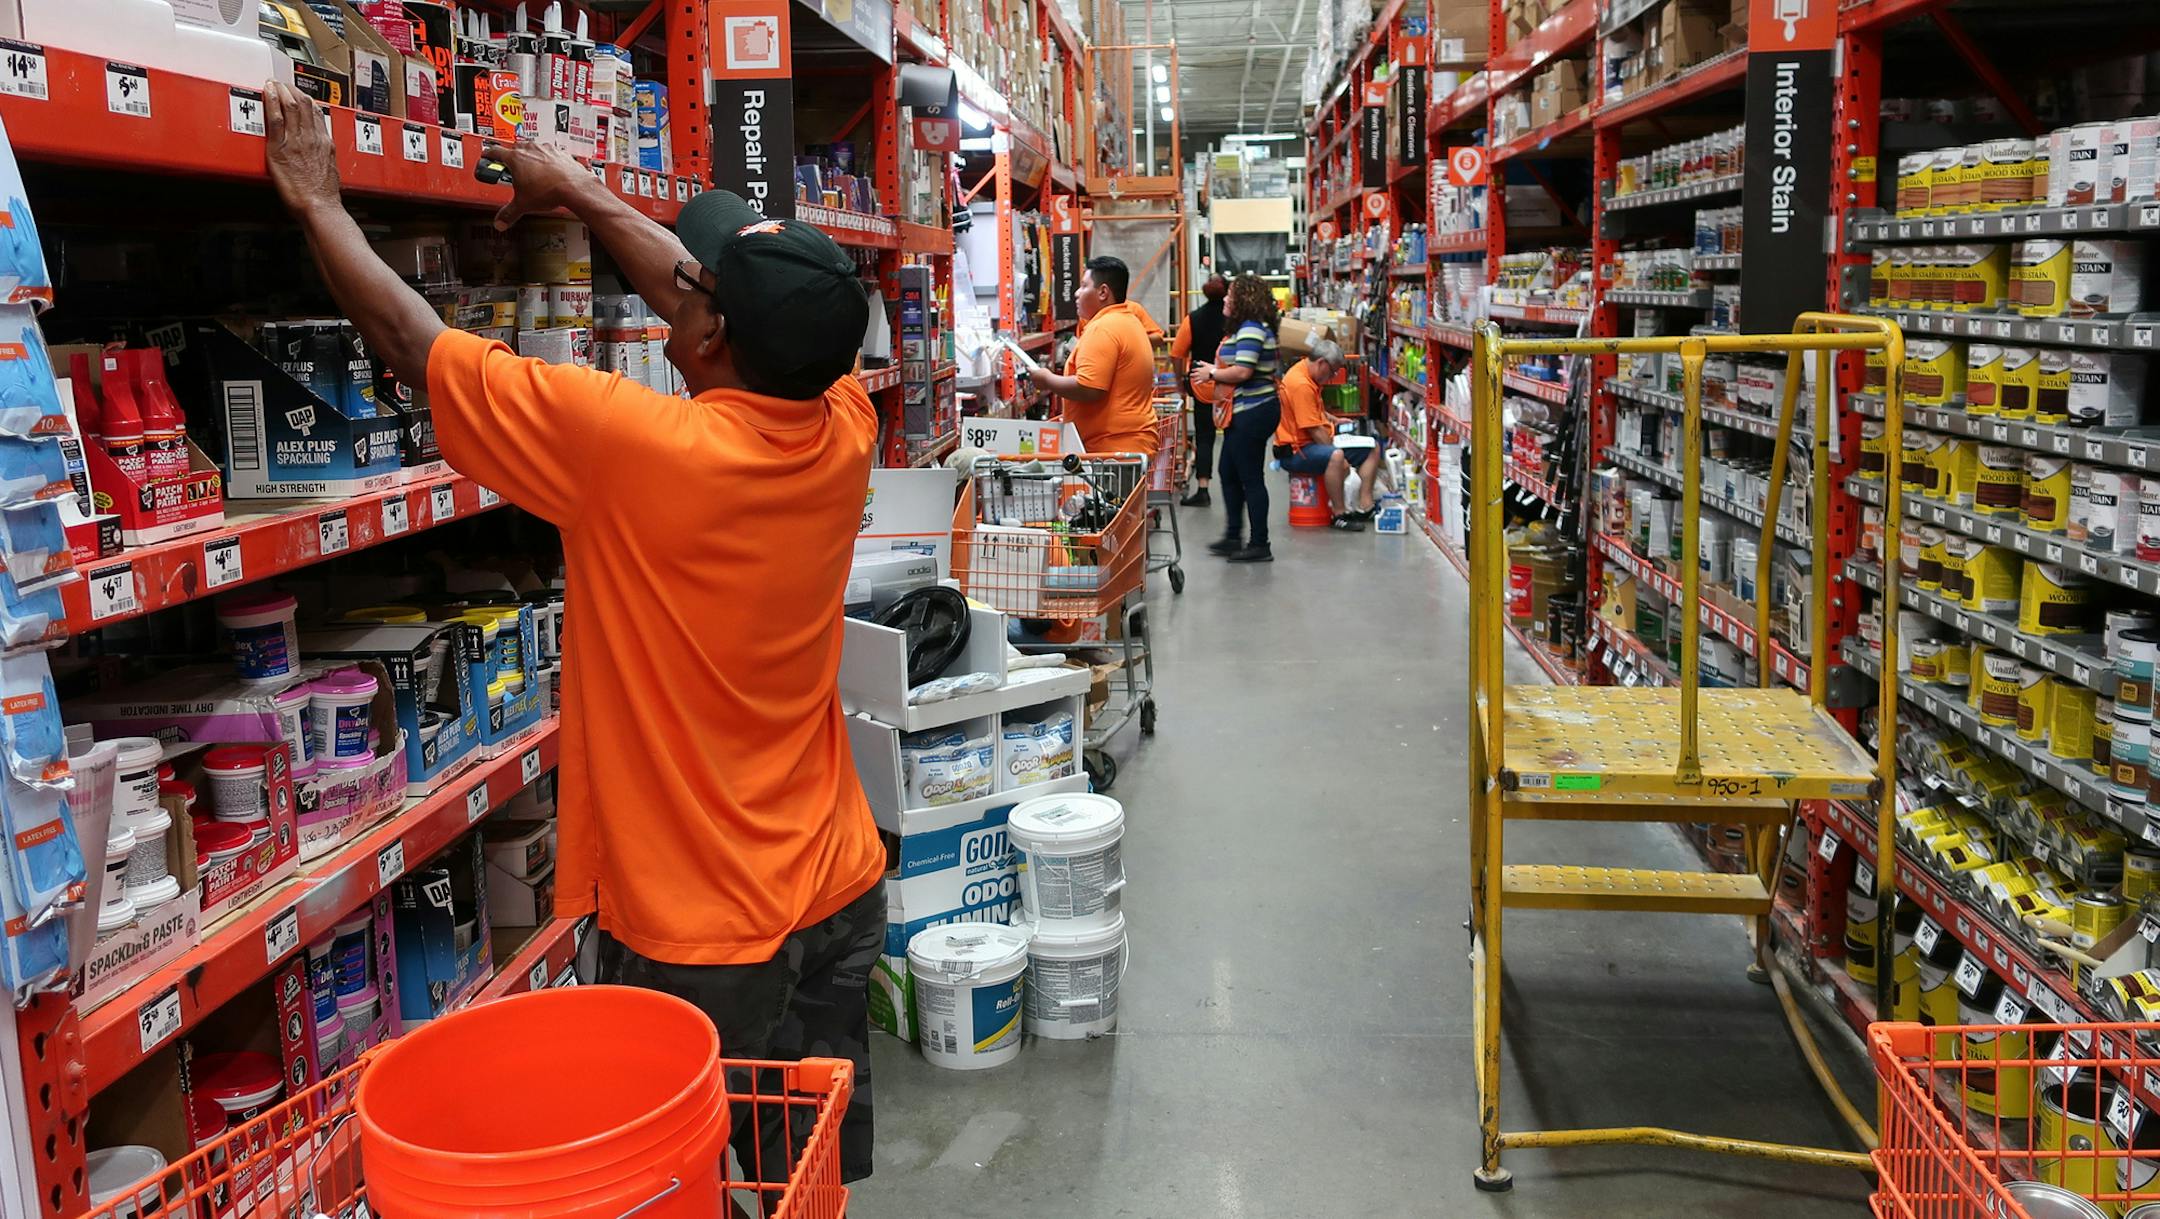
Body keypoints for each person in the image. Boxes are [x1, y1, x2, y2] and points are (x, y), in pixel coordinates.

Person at [259, 82, 885, 1194]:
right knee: (805, 1176)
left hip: (701, 932)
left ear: (711, 332)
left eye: (692, 289)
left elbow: (417, 343)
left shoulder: (635, 453)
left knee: (682, 1187)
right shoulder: (843, 421)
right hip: (835, 887)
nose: (667, 294)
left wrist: (318, 204)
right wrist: (582, 191)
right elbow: (705, 298)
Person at [1027, 255, 1160, 456]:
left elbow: (1089, 388)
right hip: (1127, 445)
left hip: (1111, 449)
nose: (1076, 293)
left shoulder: (1104, 327)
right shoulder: (1128, 321)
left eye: (1083, 286)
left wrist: (1047, 380)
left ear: (1103, 292)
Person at [1190, 273, 1281, 563]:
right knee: (1229, 472)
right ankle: (1233, 536)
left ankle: (1259, 543)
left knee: (1250, 476)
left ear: (1244, 300)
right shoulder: (1245, 328)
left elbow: (1243, 371)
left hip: (1255, 410)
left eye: (1231, 295)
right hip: (1243, 411)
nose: (1226, 299)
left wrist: (1212, 373)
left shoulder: (1253, 328)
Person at [1274, 339, 1390, 530]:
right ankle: (1339, 514)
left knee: (1372, 448)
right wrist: (1339, 454)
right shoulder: (1301, 384)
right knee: (1336, 457)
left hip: (1310, 443)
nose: (1332, 376)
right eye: (1332, 371)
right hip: (1296, 450)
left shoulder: (1306, 373)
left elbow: (1313, 411)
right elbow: (1314, 431)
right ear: (1321, 363)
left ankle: (1365, 505)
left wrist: (1333, 420)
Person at [1168, 274, 1226, 507]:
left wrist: (1181, 380)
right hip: (1230, 386)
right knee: (1233, 436)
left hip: (1202, 386)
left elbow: (1176, 354)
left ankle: (1203, 489)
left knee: (1205, 437)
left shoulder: (1193, 319)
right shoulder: (1235, 319)